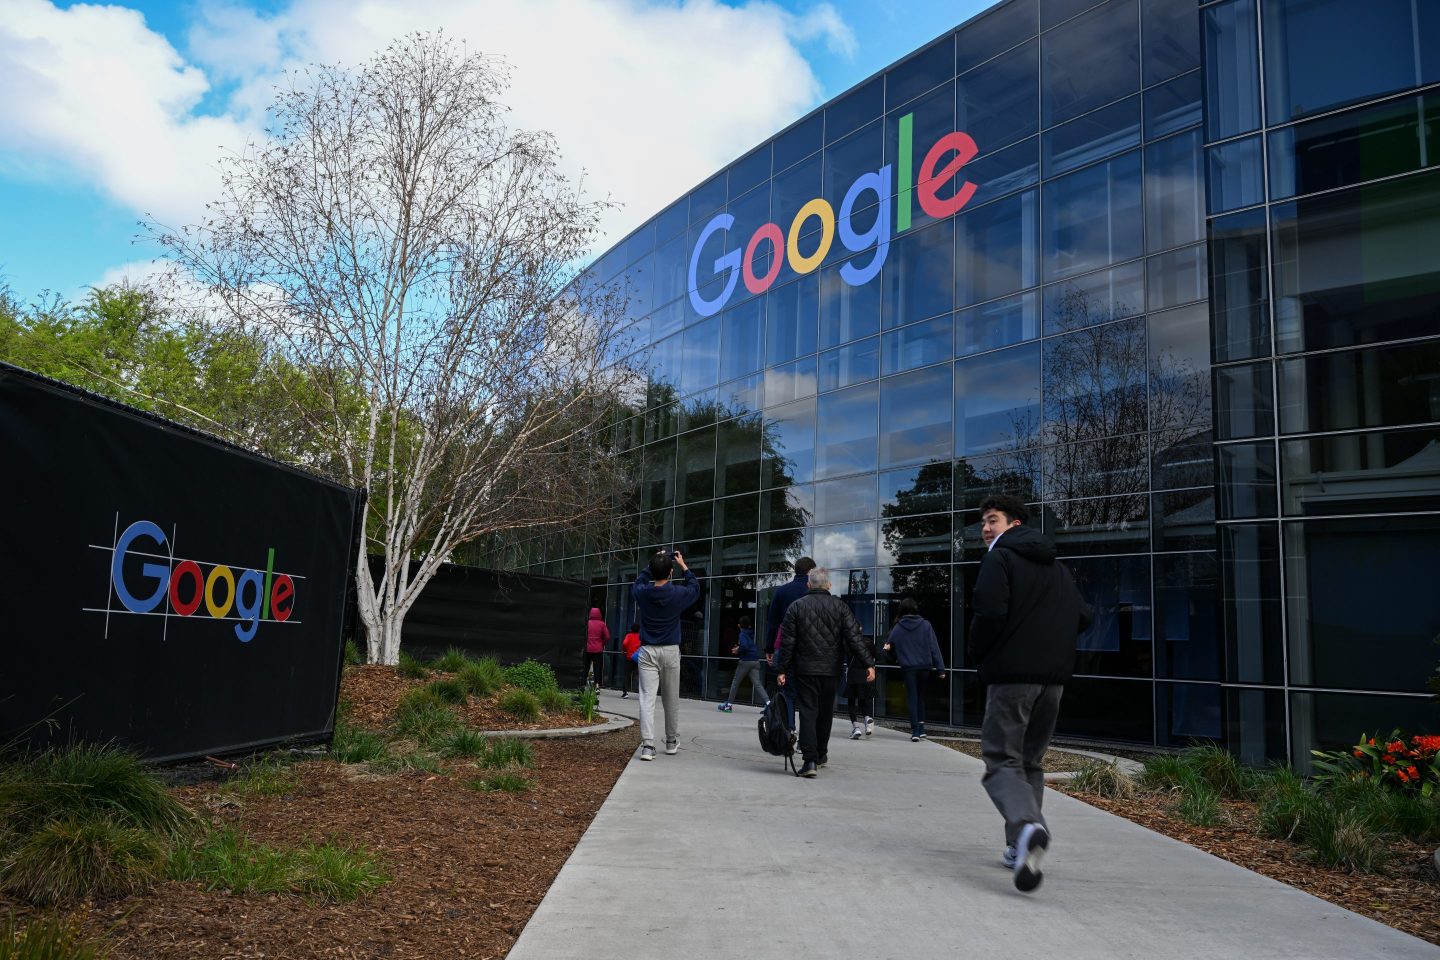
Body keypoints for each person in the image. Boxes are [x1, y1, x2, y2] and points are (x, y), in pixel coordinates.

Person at [969, 495, 1091, 894]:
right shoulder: (1058, 569)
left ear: (1014, 524)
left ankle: (1026, 827)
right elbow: (1084, 616)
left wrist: (980, 655)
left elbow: (988, 613)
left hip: (1012, 679)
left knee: (1001, 760)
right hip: (1052, 683)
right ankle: (1017, 847)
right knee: (1030, 762)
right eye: (984, 523)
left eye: (992, 520)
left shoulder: (999, 560)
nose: (985, 529)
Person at [775, 567, 874, 778]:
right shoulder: (840, 607)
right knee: (825, 713)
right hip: (831, 670)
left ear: (808, 585)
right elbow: (854, 638)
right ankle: (821, 755)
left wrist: (781, 669)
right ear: (828, 585)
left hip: (805, 670)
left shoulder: (796, 607)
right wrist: (868, 663)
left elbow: (787, 643)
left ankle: (809, 761)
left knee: (808, 712)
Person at [632, 550, 700, 761]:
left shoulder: (643, 593)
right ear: (671, 572)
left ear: (652, 573)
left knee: (647, 699)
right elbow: (695, 587)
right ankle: (671, 741)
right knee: (671, 699)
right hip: (670, 650)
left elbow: (638, 582)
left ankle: (648, 746)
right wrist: (683, 565)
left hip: (647, 651)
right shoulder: (678, 593)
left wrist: (651, 564)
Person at [883, 597, 946, 741]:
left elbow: (887, 647)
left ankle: (915, 730)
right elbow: (934, 648)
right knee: (920, 697)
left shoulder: (898, 627)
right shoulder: (926, 625)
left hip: (909, 668)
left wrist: (896, 657)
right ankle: (921, 728)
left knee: (912, 697)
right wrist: (941, 669)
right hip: (925, 667)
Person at [765, 557, 815, 724]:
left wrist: (769, 648)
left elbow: (772, 623)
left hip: (786, 647)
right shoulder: (815, 593)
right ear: (810, 572)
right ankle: (806, 740)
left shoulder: (782, 591)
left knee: (789, 693)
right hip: (809, 650)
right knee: (808, 695)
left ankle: (789, 731)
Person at [718, 615, 765, 711]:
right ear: (750, 626)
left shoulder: (742, 634)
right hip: (755, 661)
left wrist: (737, 650)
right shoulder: (751, 634)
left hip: (746, 661)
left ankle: (728, 705)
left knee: (735, 682)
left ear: (739, 625)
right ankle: (769, 704)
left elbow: (744, 647)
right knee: (757, 684)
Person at [844, 631, 878, 740]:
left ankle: (856, 727)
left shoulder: (849, 643)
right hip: (865, 675)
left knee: (851, 701)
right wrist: (886, 649)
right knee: (864, 700)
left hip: (853, 675)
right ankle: (867, 719)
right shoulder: (867, 642)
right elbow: (879, 655)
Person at [583, 607, 609, 690]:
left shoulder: (587, 623)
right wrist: (602, 643)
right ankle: (597, 685)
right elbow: (607, 636)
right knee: (597, 668)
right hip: (598, 649)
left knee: (586, 666)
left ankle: (582, 684)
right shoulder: (602, 624)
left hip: (587, 649)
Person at [620, 623, 641, 698]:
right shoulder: (640, 636)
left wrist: (624, 650)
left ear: (631, 629)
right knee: (639, 676)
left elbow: (625, 643)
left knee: (627, 675)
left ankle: (625, 692)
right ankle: (642, 692)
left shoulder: (629, 635)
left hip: (629, 657)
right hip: (638, 658)